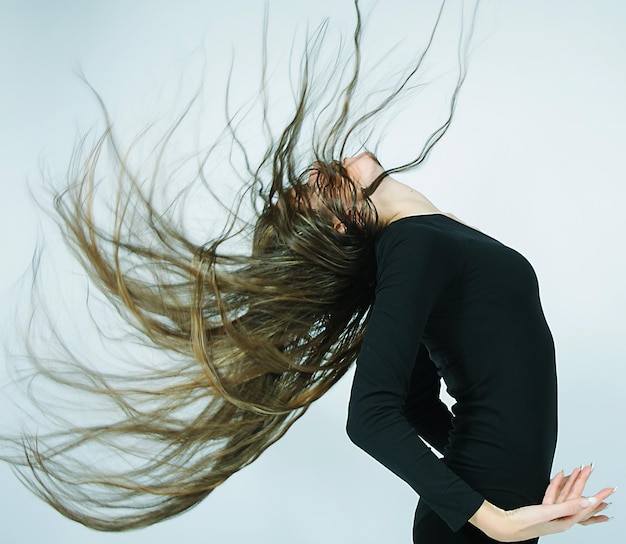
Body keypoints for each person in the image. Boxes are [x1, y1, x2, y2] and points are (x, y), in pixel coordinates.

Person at [0, 1, 614, 542]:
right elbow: (370, 416)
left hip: (498, 510)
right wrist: (497, 518)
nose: (316, 171)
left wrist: (514, 489)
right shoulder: (411, 246)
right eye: (309, 191)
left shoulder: (430, 239)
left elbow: (416, 398)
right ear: (341, 225)